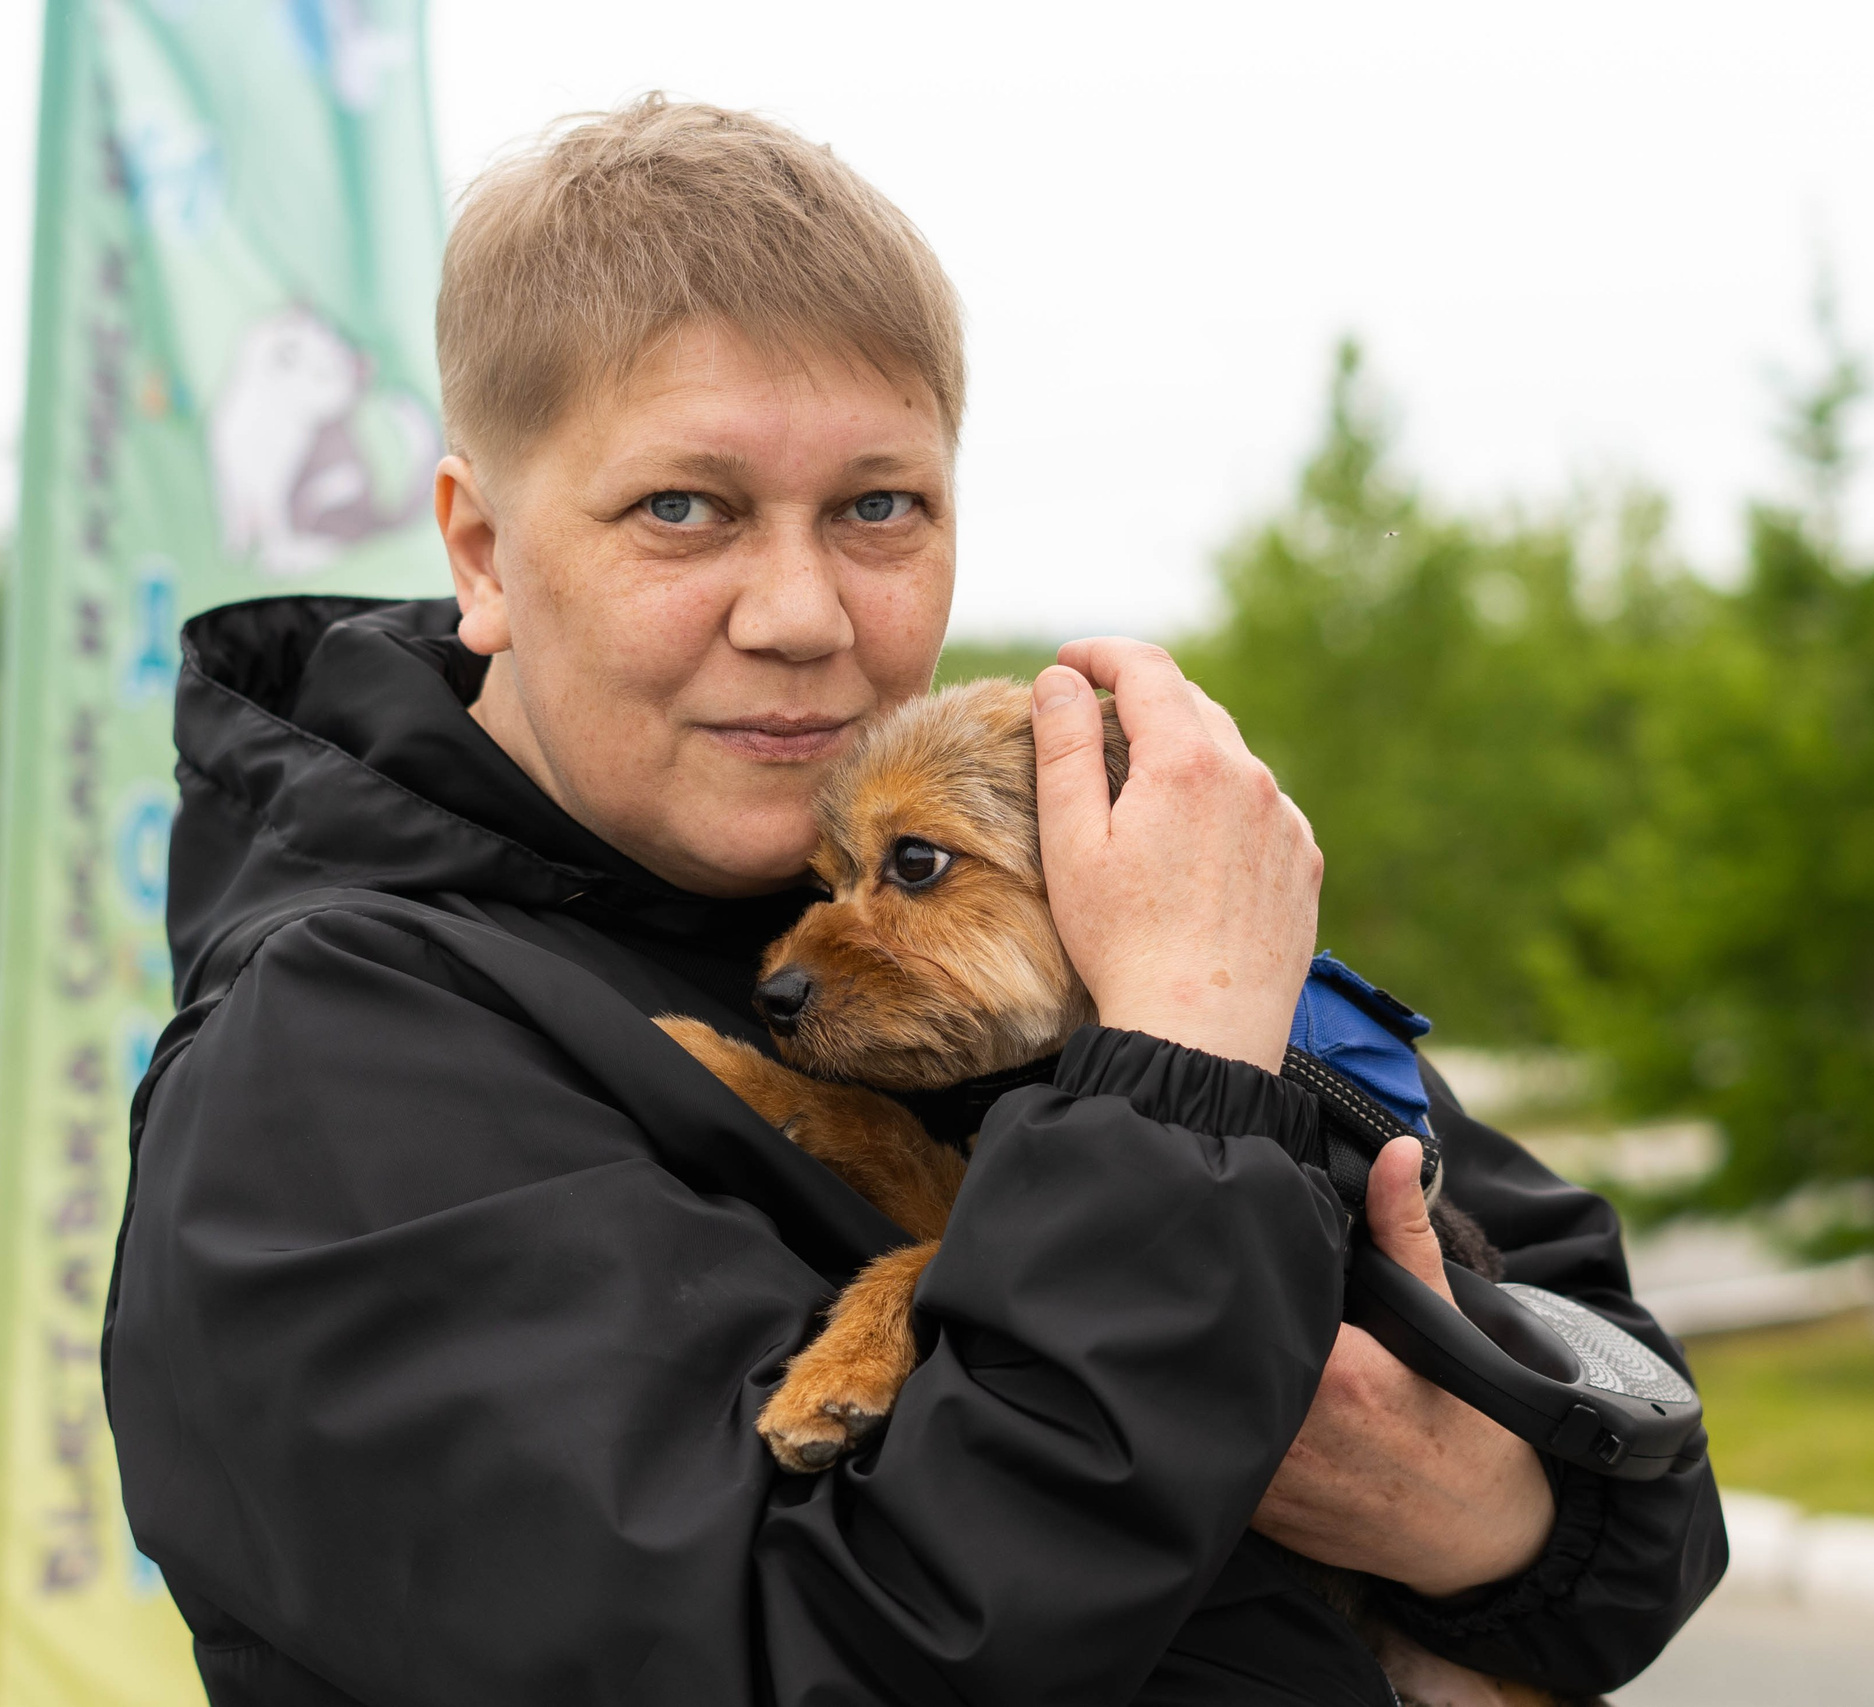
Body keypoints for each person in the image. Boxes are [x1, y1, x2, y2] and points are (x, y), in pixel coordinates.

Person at [104, 97, 1726, 1706]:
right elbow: (833, 1658)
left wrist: (1483, 1516)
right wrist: (1175, 1081)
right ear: (482, 551)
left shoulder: (1075, 914)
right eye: (685, 508)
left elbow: (1647, 1478)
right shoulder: (332, 1066)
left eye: (882, 506)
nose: (805, 613)